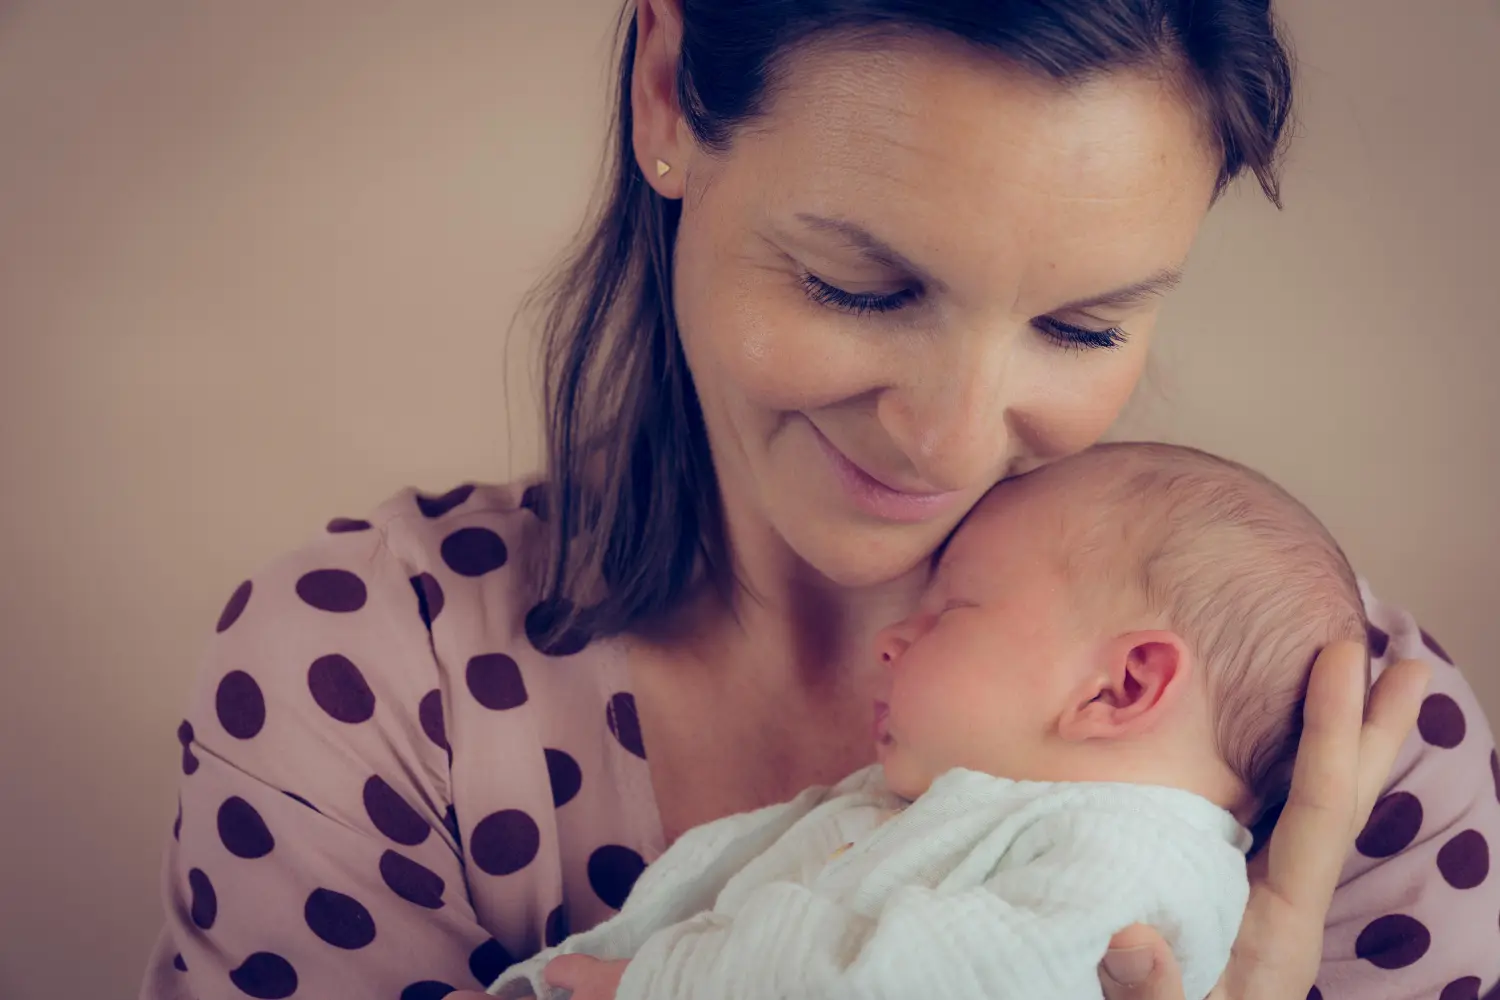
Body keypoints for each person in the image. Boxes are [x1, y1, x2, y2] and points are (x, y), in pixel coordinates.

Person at [139, 2, 1500, 999]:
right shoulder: (367, 684)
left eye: (1081, 327)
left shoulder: (1342, 744)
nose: (949, 439)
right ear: (667, 94)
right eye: (860, 287)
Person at [487, 442, 1369, 1000]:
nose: (890, 642)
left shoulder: (1131, 858)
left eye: (950, 612)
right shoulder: (970, 810)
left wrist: (646, 984)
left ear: (1121, 688)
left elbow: (924, 983)